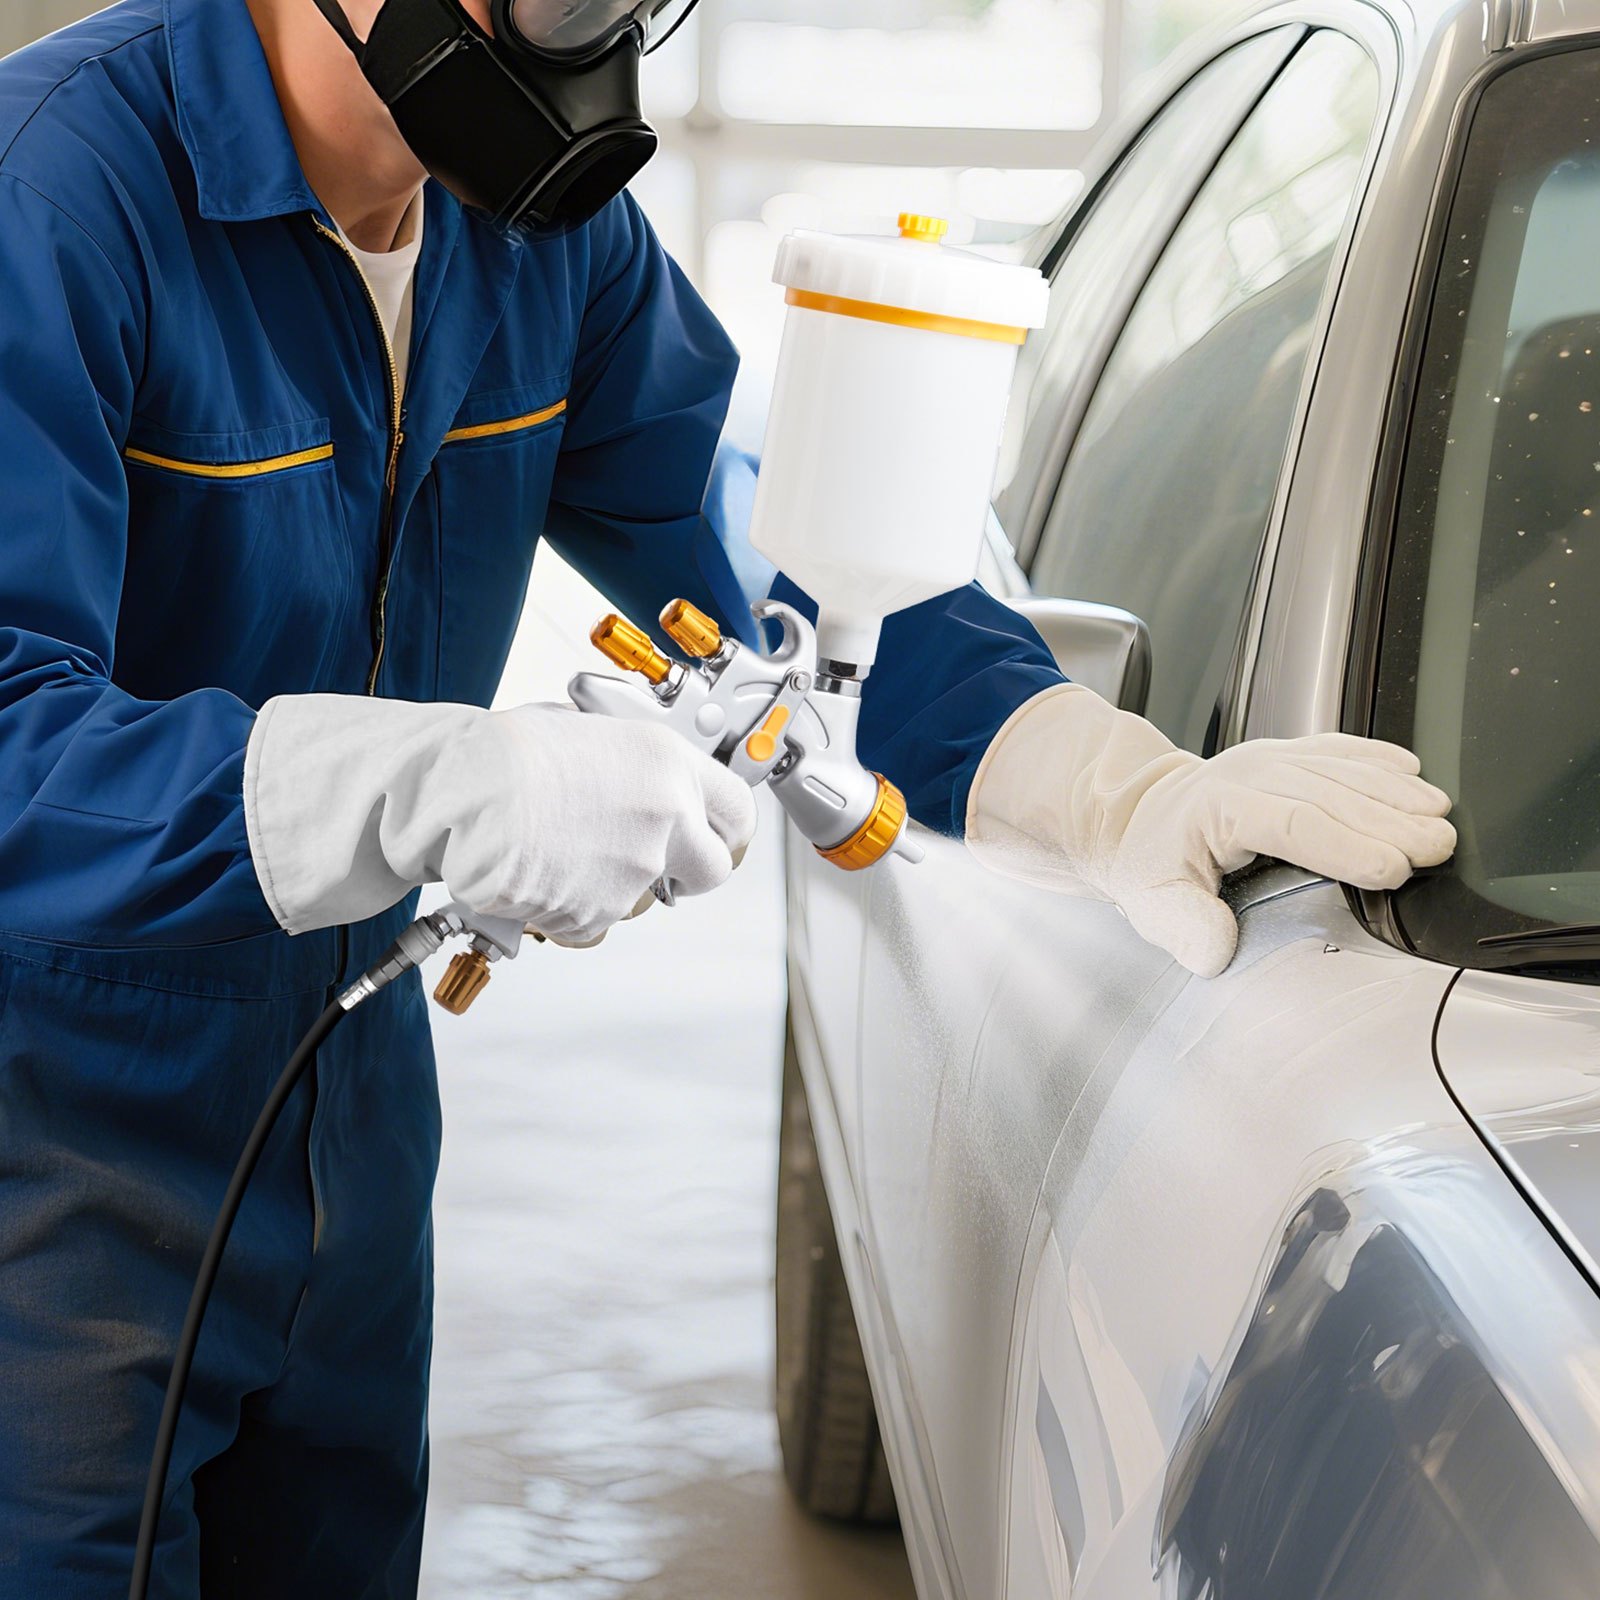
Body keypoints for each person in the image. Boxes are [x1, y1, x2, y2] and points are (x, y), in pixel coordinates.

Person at [0, 0, 1455, 1592]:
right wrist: (425, 785)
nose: (598, 38)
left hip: (347, 1106)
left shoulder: (541, 245)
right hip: (62, 1133)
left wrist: (1100, 781)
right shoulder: (56, 190)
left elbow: (773, 542)